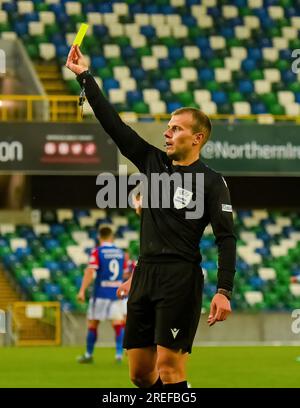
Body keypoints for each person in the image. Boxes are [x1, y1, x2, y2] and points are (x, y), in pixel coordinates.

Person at [66, 45, 236, 388]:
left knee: (170, 368)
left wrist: (224, 290)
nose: (167, 133)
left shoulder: (212, 182)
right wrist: (84, 76)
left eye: (175, 129)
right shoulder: (153, 163)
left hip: (180, 278)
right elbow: (114, 126)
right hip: (144, 274)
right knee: (140, 374)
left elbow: (226, 238)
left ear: (197, 138)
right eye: (168, 128)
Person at [77, 225, 128, 363]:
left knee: (93, 323)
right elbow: (124, 273)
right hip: (117, 294)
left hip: (100, 294)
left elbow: (90, 271)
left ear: (99, 237)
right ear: (112, 237)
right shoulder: (120, 253)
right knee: (118, 323)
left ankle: (88, 354)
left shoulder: (97, 252)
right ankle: (118, 354)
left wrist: (82, 290)